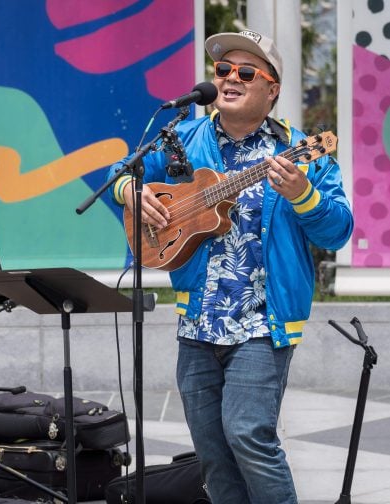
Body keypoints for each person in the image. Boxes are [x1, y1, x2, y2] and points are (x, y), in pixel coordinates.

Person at [108, 31, 353, 503]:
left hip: (264, 322)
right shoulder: (182, 138)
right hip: (197, 320)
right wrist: (132, 194)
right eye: (223, 71)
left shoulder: (301, 149)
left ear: (272, 89)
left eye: (245, 73)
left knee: (248, 435)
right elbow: (116, 173)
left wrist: (303, 195)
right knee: (213, 455)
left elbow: (338, 231)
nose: (230, 79)